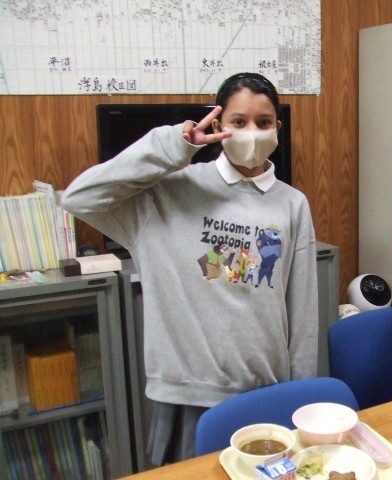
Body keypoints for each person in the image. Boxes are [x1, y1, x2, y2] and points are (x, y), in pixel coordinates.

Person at [62, 72, 319, 464]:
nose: (252, 132)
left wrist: (298, 396)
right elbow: (80, 197)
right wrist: (172, 146)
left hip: (265, 393)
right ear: (217, 125)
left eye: (263, 122)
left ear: (277, 128)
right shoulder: (167, 191)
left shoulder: (292, 204)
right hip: (186, 395)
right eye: (238, 121)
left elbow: (302, 312)